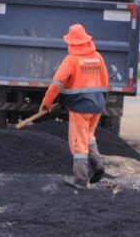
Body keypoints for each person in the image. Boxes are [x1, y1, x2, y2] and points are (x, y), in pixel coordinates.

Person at [39, 24, 110, 189]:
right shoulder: (98, 57)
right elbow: (105, 81)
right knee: (88, 135)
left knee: (79, 142)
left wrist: (46, 103)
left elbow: (56, 84)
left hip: (81, 108)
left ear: (71, 42)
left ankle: (80, 179)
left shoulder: (71, 59)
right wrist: (101, 101)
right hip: (98, 104)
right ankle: (97, 163)